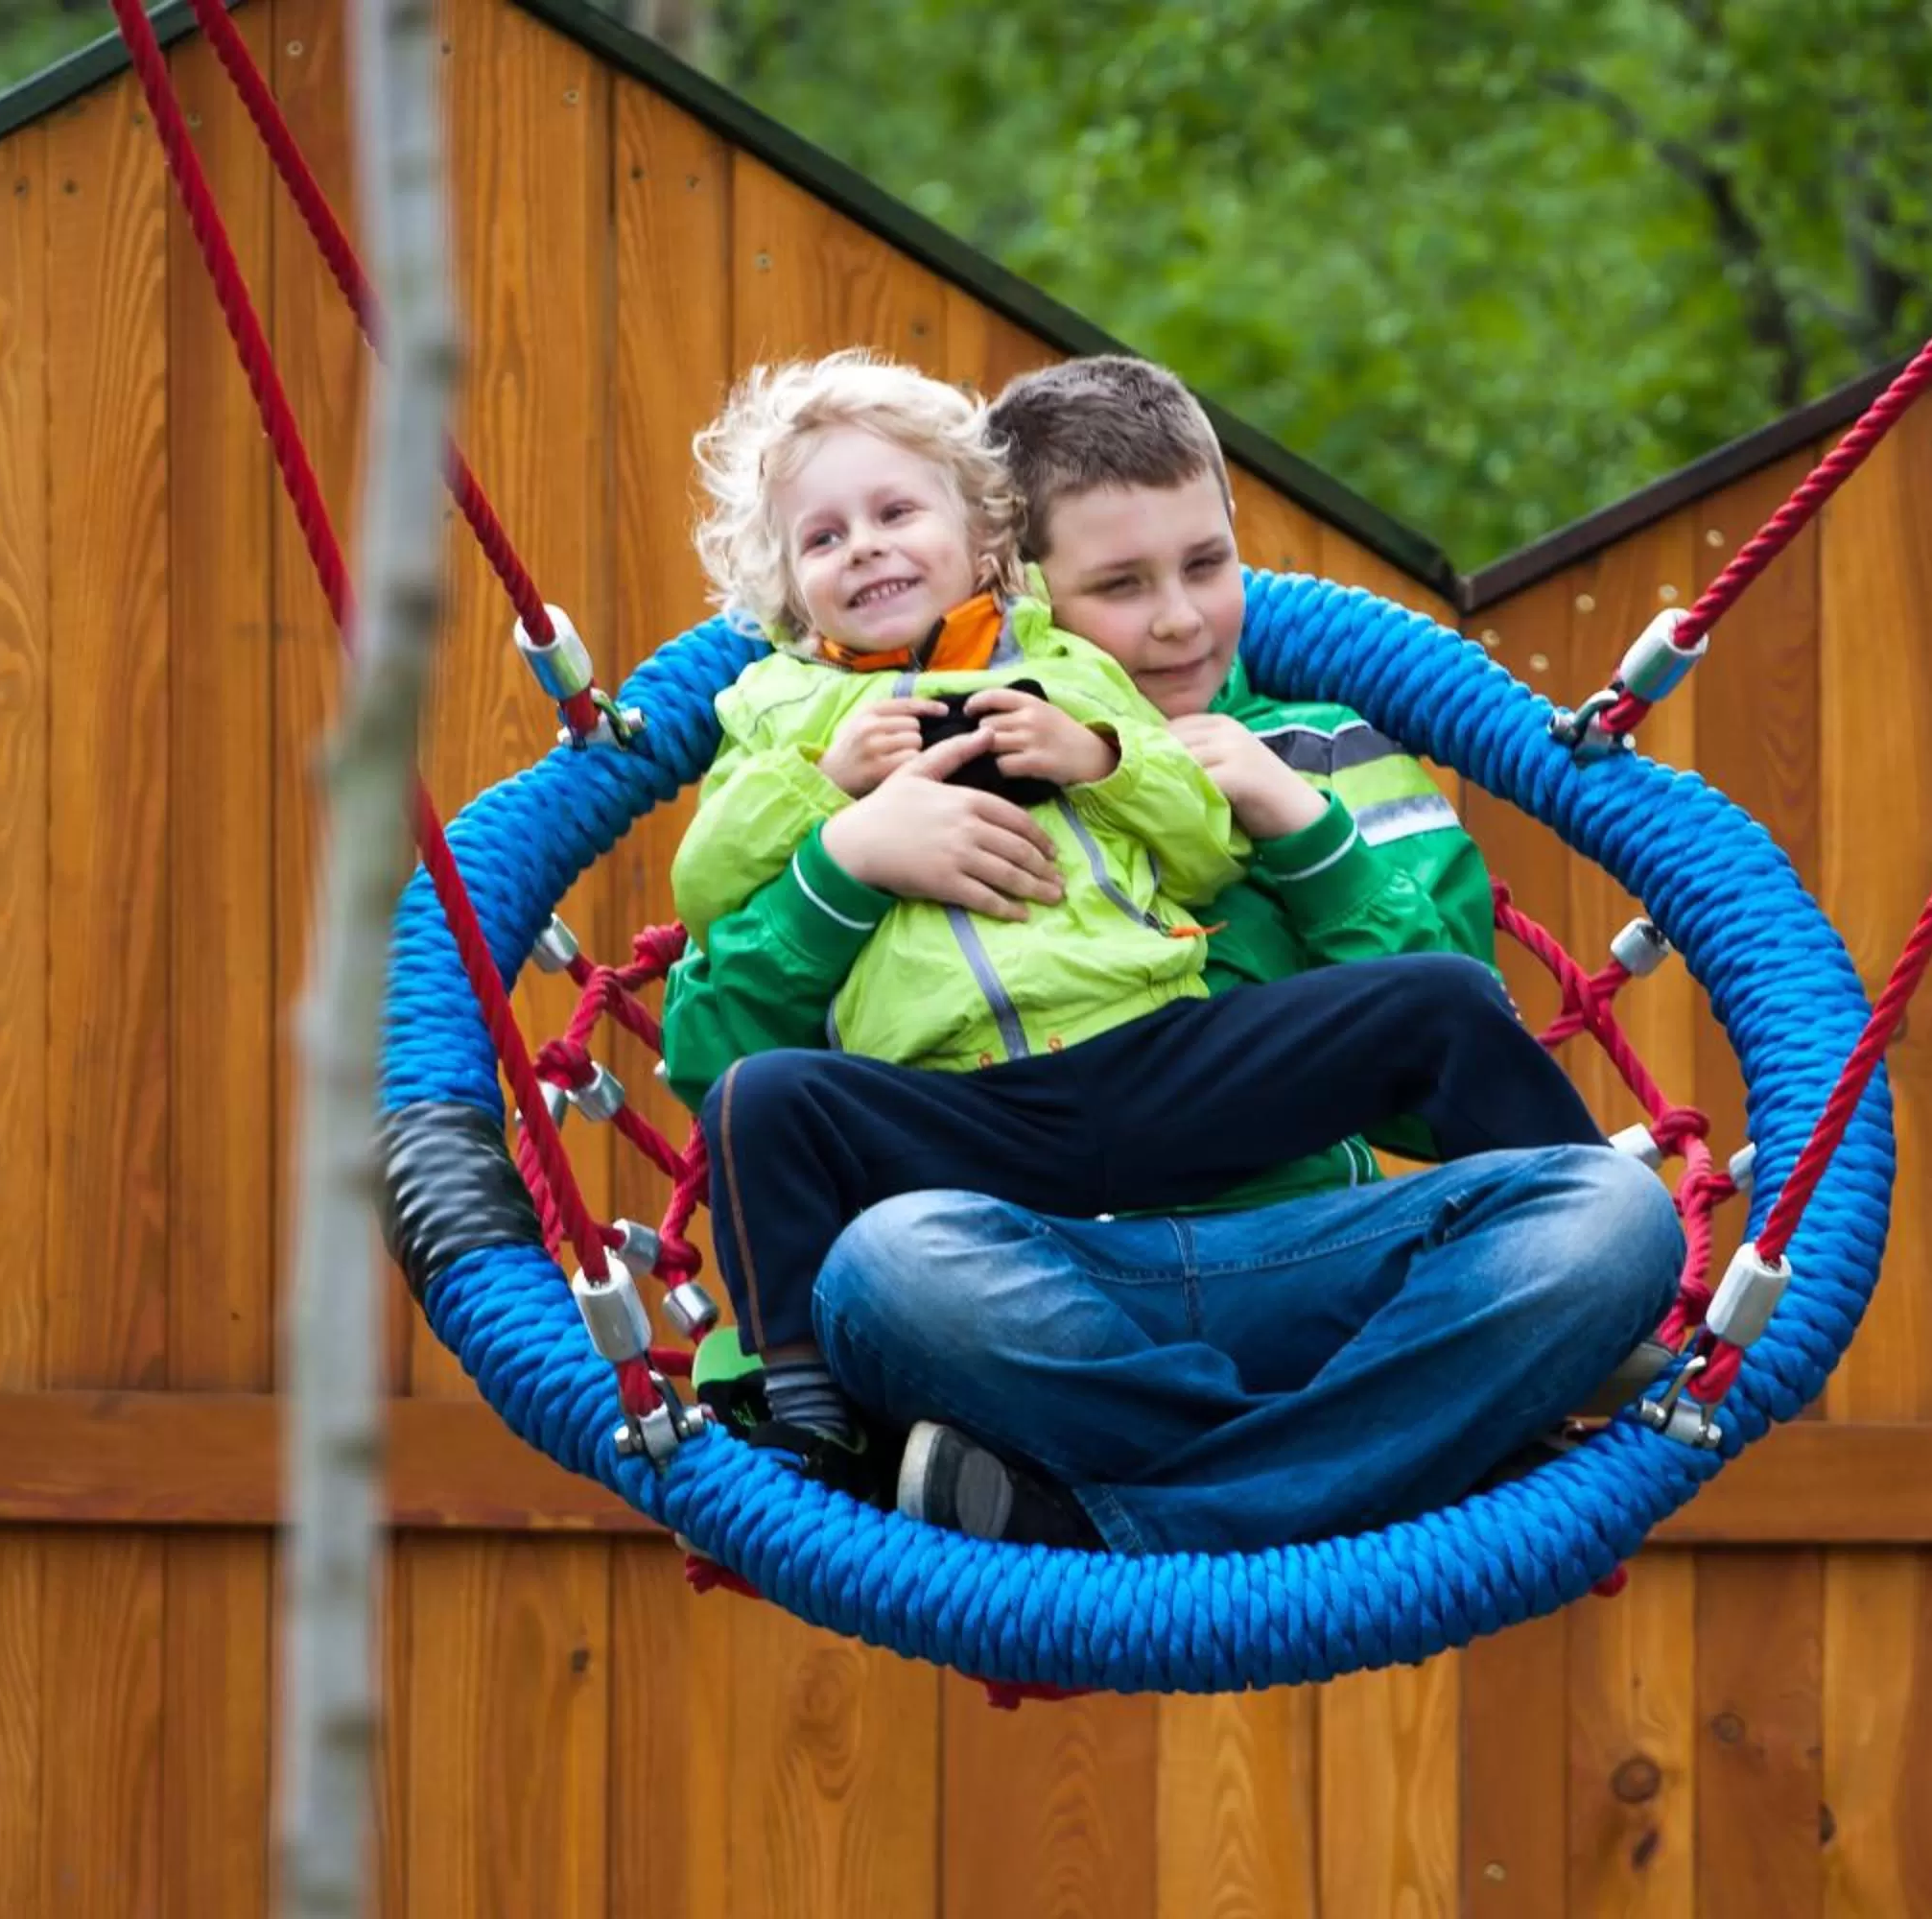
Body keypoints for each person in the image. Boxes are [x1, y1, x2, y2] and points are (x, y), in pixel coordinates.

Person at [662, 349, 1668, 1529]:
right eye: (1121, 583)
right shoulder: (813, 740)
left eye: (1206, 563)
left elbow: (1452, 1044)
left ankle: (1096, 1514)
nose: (1181, 618)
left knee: (1616, 1215)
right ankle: (1392, 1459)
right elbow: (712, 1058)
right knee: (887, 1263)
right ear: (1016, 573)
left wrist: (1298, 827)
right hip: (1016, 1266)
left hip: (1306, 1264)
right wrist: (842, 860)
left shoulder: (1317, 750)